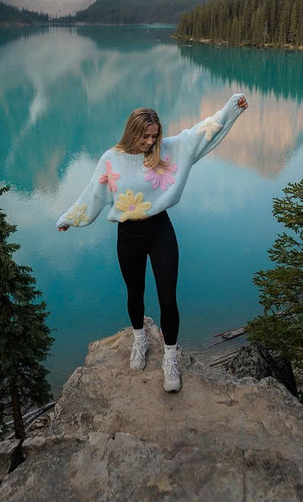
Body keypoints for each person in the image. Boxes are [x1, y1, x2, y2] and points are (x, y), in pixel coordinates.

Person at [57, 93, 248, 393]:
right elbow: (94, 194)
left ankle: (170, 358)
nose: (150, 142)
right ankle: (140, 339)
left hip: (160, 232)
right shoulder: (112, 158)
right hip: (128, 236)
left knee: (167, 297)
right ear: (132, 132)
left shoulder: (169, 150)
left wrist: (231, 109)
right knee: (135, 293)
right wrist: (70, 218)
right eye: (145, 136)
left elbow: (201, 133)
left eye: (154, 136)